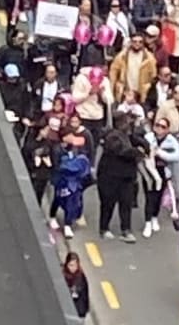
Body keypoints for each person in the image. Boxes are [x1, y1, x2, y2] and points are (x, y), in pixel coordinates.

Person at [96, 112, 144, 243]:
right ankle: (104, 228)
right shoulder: (112, 137)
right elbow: (120, 151)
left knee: (126, 203)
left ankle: (126, 230)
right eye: (127, 121)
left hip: (126, 177)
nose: (129, 124)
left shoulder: (128, 136)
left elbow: (139, 141)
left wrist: (143, 145)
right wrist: (138, 152)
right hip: (110, 176)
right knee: (108, 204)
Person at [63, 252, 91, 318]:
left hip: (78, 311)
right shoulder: (64, 273)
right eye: (70, 265)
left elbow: (75, 293)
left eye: (75, 265)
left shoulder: (79, 278)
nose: (73, 268)